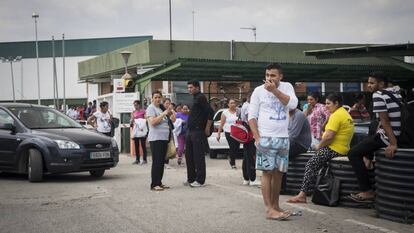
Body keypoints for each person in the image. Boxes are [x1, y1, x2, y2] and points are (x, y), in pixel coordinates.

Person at [248, 63, 298, 220]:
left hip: (283, 137)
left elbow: (293, 105)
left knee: (279, 174)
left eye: (273, 75)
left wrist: (275, 91)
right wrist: (257, 138)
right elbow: (251, 117)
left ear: (280, 77)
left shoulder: (287, 86)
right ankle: (269, 209)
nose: (269, 78)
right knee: (267, 173)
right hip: (266, 137)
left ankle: (276, 206)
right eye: (267, 75)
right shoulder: (258, 91)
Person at [287, 93, 354, 204]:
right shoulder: (344, 114)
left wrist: (319, 147)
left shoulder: (336, 115)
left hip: (333, 149)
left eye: (328, 103)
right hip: (343, 149)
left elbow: (328, 136)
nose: (326, 106)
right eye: (325, 103)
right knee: (318, 165)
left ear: (336, 103)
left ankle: (302, 195)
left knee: (310, 164)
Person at [348, 72, 402, 203]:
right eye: (368, 82)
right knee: (372, 129)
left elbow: (385, 121)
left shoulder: (378, 95)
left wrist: (393, 143)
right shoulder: (396, 93)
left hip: (388, 136)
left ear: (381, 84)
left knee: (353, 153)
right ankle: (368, 158)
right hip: (400, 134)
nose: (369, 86)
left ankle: (367, 191)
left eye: (372, 83)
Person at [185, 79, 214, 188]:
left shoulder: (201, 97)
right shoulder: (194, 98)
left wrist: (207, 127)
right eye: (188, 88)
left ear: (197, 87)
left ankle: (200, 180)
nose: (189, 89)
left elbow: (210, 112)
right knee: (189, 156)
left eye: (191, 87)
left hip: (198, 131)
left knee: (198, 157)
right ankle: (191, 178)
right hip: (190, 131)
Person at [281, 107, 312, 191]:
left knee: (281, 154)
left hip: (301, 144)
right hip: (290, 142)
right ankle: (273, 182)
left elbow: (293, 135)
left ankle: (281, 187)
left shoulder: (299, 115)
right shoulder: (284, 114)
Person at [146, 91, 172, 191]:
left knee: (161, 162)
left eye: (159, 97)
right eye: (155, 97)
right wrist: (163, 114)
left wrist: (169, 111)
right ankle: (154, 184)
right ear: (152, 98)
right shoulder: (151, 108)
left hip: (164, 138)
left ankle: (159, 182)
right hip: (156, 138)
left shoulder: (161, 108)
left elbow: (171, 120)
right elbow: (153, 122)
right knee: (157, 161)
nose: (157, 99)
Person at [240, 93, 260, 186]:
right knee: (251, 156)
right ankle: (252, 178)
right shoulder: (249, 107)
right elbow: (250, 120)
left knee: (246, 156)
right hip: (251, 133)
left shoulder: (245, 105)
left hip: (247, 133)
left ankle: (246, 178)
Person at [217, 99, 240, 169]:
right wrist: (218, 134)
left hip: (237, 132)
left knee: (237, 147)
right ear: (228, 105)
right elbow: (221, 124)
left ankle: (231, 157)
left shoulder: (238, 111)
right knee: (232, 146)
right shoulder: (225, 113)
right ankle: (233, 163)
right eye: (231, 103)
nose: (233, 104)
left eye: (234, 103)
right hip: (229, 132)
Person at [130, 100, 147, 165]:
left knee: (143, 145)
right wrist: (132, 120)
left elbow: (145, 119)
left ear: (139, 105)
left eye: (136, 105)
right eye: (134, 105)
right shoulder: (133, 112)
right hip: (136, 130)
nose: (135, 106)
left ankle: (144, 159)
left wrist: (141, 121)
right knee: (136, 145)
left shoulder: (143, 111)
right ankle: (137, 159)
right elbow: (132, 120)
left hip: (142, 129)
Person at [163, 98, 176, 169]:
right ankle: (163, 162)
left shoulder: (170, 111)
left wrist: (172, 112)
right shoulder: (161, 111)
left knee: (168, 145)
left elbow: (174, 120)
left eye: (169, 103)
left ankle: (166, 162)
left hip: (169, 130)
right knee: (163, 146)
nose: (168, 105)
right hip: (162, 131)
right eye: (167, 103)